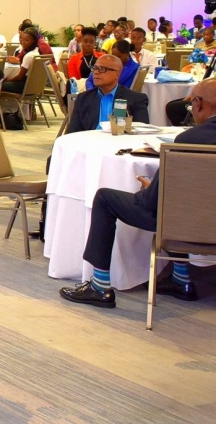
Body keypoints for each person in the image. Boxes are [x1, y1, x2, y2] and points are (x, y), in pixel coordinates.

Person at [60, 77, 216, 309]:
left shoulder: (188, 140)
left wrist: (149, 187)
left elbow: (151, 203)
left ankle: (100, 286)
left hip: (187, 221)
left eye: (191, 104)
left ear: (200, 103)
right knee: (185, 202)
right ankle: (180, 280)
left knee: (106, 198)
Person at [65, 54, 149, 133]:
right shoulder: (83, 99)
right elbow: (72, 133)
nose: (96, 72)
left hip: (121, 145)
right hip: (90, 144)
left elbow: (141, 133)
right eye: (94, 68)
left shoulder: (136, 99)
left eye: (102, 69)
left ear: (117, 73)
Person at [1, 28, 42, 94]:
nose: (23, 42)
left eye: (26, 40)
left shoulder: (29, 56)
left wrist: (7, 80)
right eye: (21, 39)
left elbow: (19, 77)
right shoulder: (36, 52)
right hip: (33, 85)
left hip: (24, 86)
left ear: (33, 41)